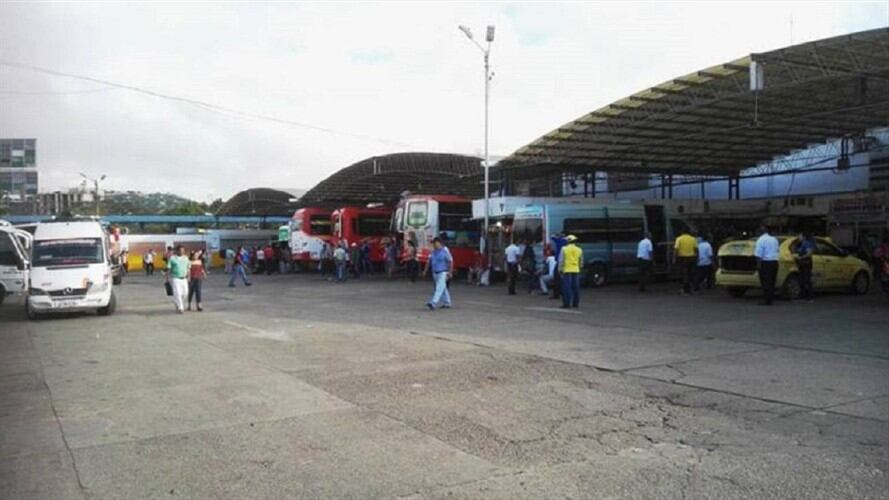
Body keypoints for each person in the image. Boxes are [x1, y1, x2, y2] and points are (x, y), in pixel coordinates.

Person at [423, 237, 453, 310]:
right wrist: (425, 271)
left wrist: (450, 272)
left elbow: (450, 262)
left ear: (440, 243)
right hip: (435, 273)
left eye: (436, 243)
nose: (435, 245)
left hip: (443, 272)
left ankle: (433, 302)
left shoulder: (445, 251)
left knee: (439, 288)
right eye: (434, 244)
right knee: (443, 288)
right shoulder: (433, 252)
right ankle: (447, 302)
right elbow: (429, 262)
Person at [754, 225, 780, 306]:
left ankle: (766, 300)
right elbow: (777, 250)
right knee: (772, 281)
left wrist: (758, 266)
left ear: (760, 232)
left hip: (766, 263)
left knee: (765, 282)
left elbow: (759, 255)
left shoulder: (760, 240)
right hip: (774, 262)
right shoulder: (774, 239)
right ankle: (770, 299)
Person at [559, 235, 583, 309]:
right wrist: (580, 267)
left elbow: (561, 260)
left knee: (567, 288)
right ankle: (575, 303)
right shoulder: (579, 249)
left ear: (568, 241)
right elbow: (581, 261)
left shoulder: (564, 249)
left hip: (567, 270)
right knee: (576, 287)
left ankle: (566, 304)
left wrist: (560, 269)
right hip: (576, 270)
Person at [165, 245, 191, 314]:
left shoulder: (186, 258)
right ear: (177, 251)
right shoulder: (172, 258)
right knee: (178, 293)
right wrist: (167, 278)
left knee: (185, 293)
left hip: (184, 278)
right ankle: (180, 308)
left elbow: (188, 268)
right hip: (176, 278)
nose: (182, 251)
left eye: (183, 250)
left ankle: (176, 301)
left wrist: (189, 276)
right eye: (180, 250)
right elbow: (168, 268)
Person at [673, 229, 698, 295]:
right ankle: (695, 287)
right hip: (692, 258)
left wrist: (674, 258)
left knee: (685, 274)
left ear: (682, 232)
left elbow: (676, 249)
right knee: (692, 273)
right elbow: (696, 249)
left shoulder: (679, 239)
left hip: (683, 258)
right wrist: (697, 257)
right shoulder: (693, 239)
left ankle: (686, 289)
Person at [794, 230, 816, 302]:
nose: (798, 237)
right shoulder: (802, 243)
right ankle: (803, 296)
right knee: (802, 280)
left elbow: (809, 253)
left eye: (799, 236)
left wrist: (800, 257)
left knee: (806, 280)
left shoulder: (807, 243)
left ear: (803, 237)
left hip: (806, 263)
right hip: (802, 263)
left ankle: (809, 297)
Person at [550, 233, 567, 300]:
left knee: (556, 279)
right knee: (563, 280)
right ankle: (563, 293)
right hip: (566, 263)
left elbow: (552, 236)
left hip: (559, 262)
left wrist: (557, 234)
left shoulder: (559, 241)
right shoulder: (566, 242)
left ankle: (556, 294)